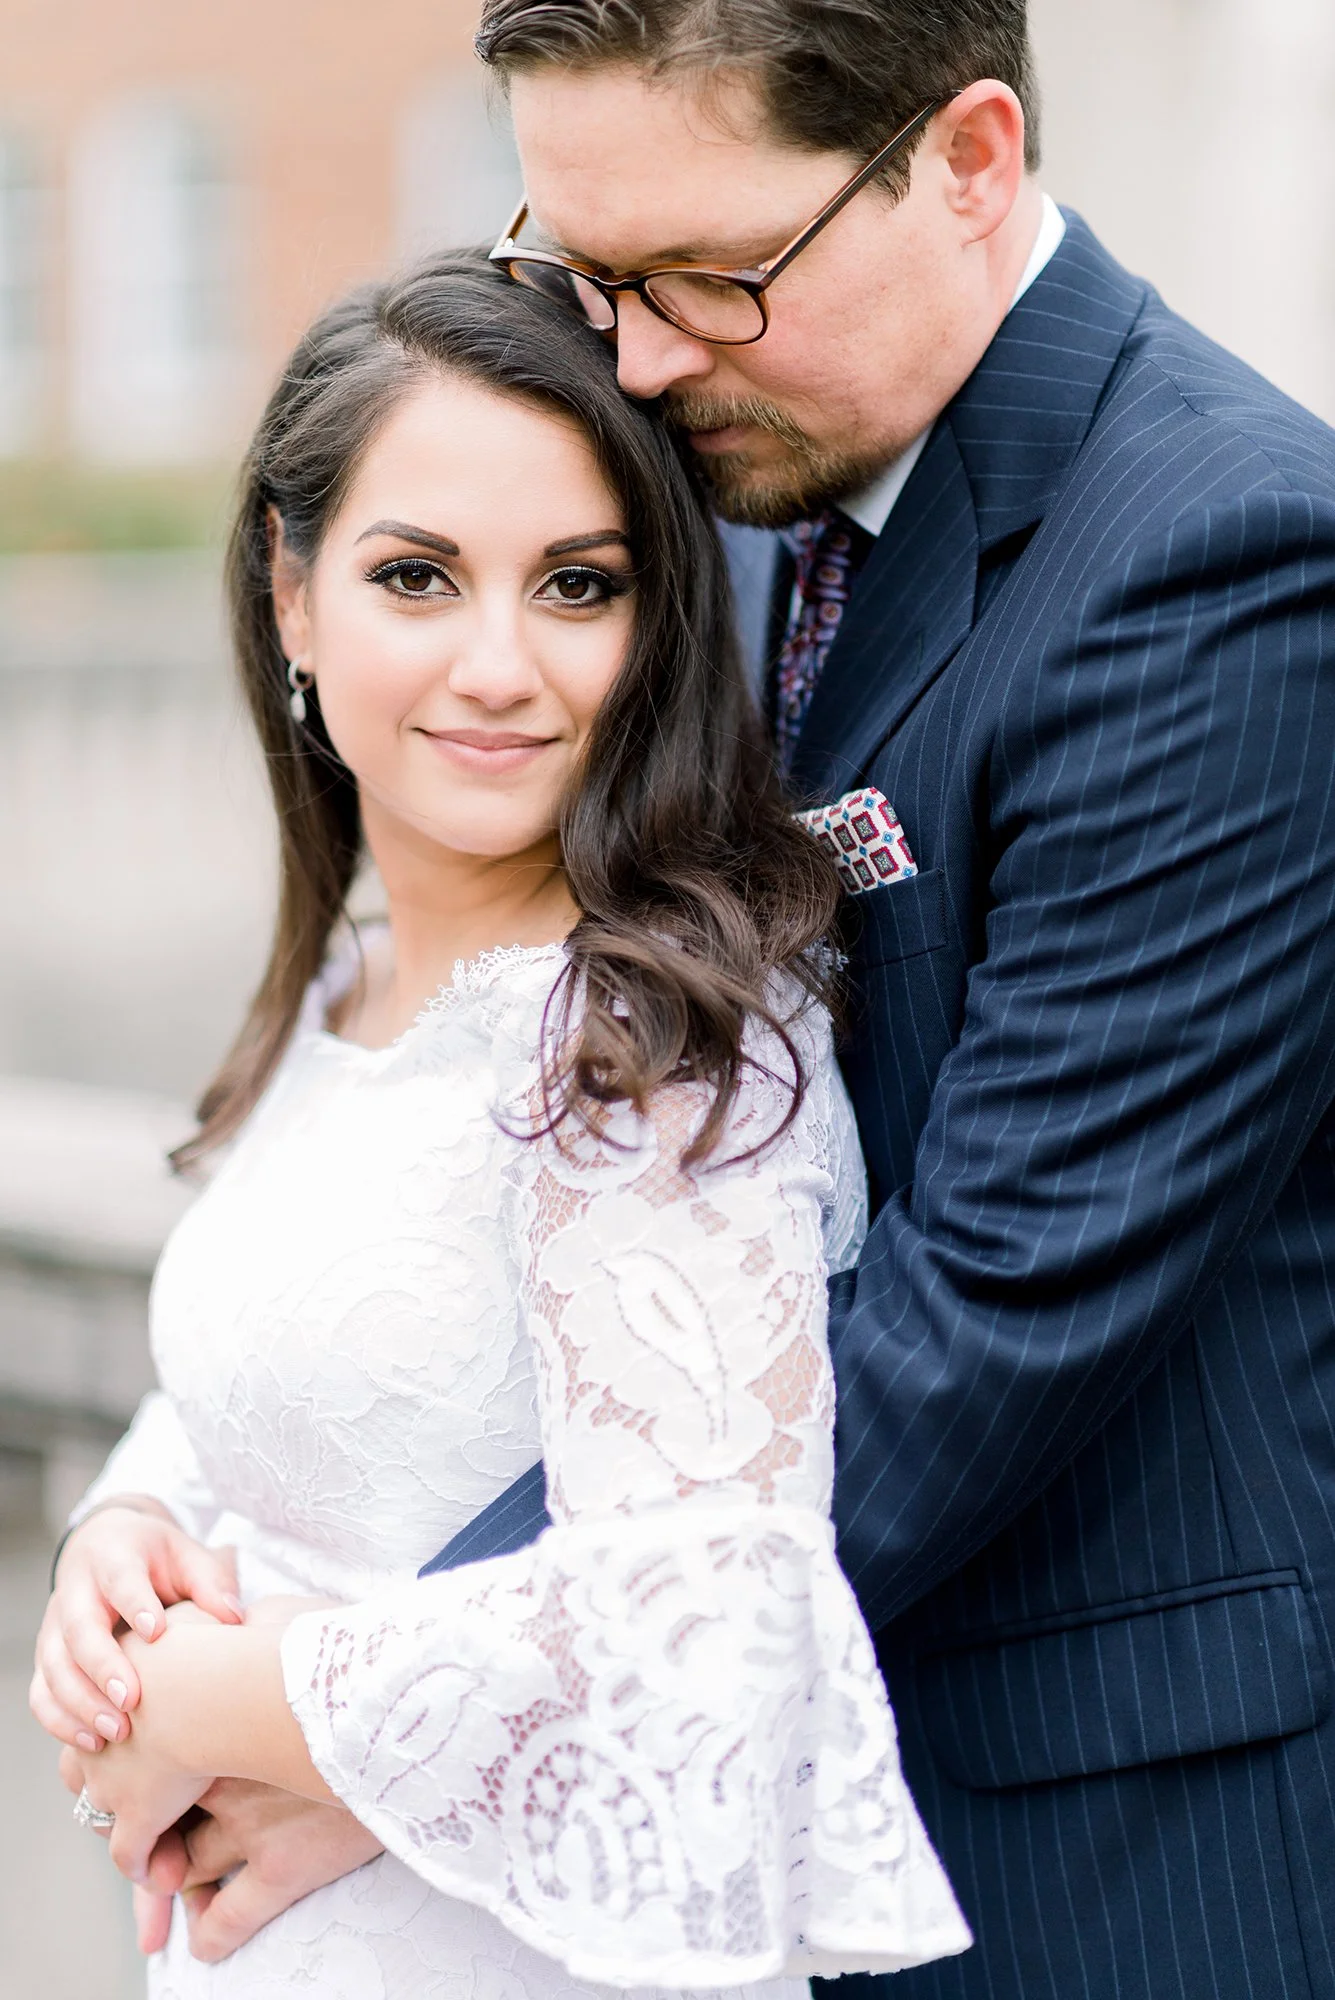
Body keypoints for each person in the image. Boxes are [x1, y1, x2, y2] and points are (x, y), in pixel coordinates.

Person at [96, 3, 1335, 1996]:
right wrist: (154, 1542)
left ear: (968, 159)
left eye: (706, 273)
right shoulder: (734, 477)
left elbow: (992, 1311)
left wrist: (366, 1735)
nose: (646, 357)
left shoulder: (1219, 559)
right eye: (588, 270)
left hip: (1086, 1836)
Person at [30, 250, 972, 1995]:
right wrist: (122, 1534)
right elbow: (297, 1377)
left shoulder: (651, 1051)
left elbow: (709, 1636)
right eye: (416, 576)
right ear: (291, 594)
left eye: (575, 585)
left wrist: (209, 1698)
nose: (498, 666)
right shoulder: (348, 986)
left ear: (655, 621)